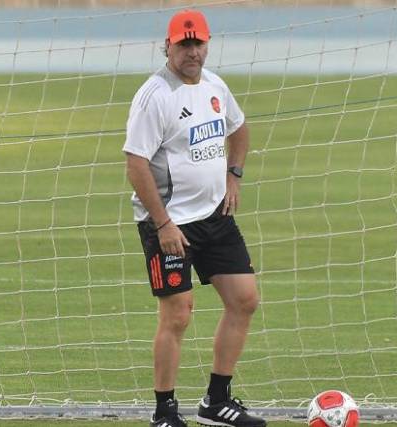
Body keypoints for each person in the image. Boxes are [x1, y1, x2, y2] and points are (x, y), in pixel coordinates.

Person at [123, 9, 265, 427]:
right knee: (178, 315)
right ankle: (164, 412)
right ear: (167, 46)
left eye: (197, 43)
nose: (192, 52)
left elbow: (238, 129)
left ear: (207, 44)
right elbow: (136, 165)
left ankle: (216, 403)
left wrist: (233, 175)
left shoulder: (216, 86)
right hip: (169, 225)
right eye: (183, 44)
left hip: (215, 216)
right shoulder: (155, 96)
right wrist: (163, 224)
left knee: (245, 300)